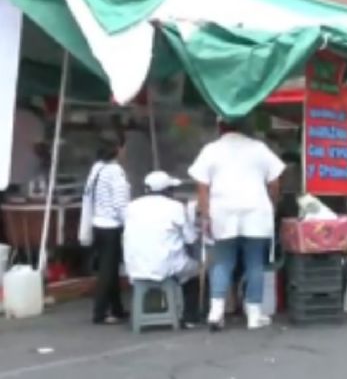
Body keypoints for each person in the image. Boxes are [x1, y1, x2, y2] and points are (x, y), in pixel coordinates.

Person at [189, 118, 284, 331]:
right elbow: (275, 183)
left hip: (222, 212)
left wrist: (205, 215)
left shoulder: (210, 150)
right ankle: (254, 315)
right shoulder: (259, 149)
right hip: (256, 211)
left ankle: (216, 312)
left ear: (220, 128)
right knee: (255, 263)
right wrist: (272, 204)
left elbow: (202, 188)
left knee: (222, 261)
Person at [123, 171, 201, 327]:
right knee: (195, 271)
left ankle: (153, 310)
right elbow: (191, 238)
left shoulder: (131, 206)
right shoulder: (175, 207)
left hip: (135, 267)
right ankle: (190, 317)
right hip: (165, 267)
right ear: (167, 190)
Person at [85, 134, 131, 325]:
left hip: (97, 223)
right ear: (118, 149)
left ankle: (117, 308)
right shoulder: (115, 171)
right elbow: (121, 203)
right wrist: (129, 223)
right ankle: (100, 312)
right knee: (108, 270)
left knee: (110, 269)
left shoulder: (97, 168)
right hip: (112, 226)